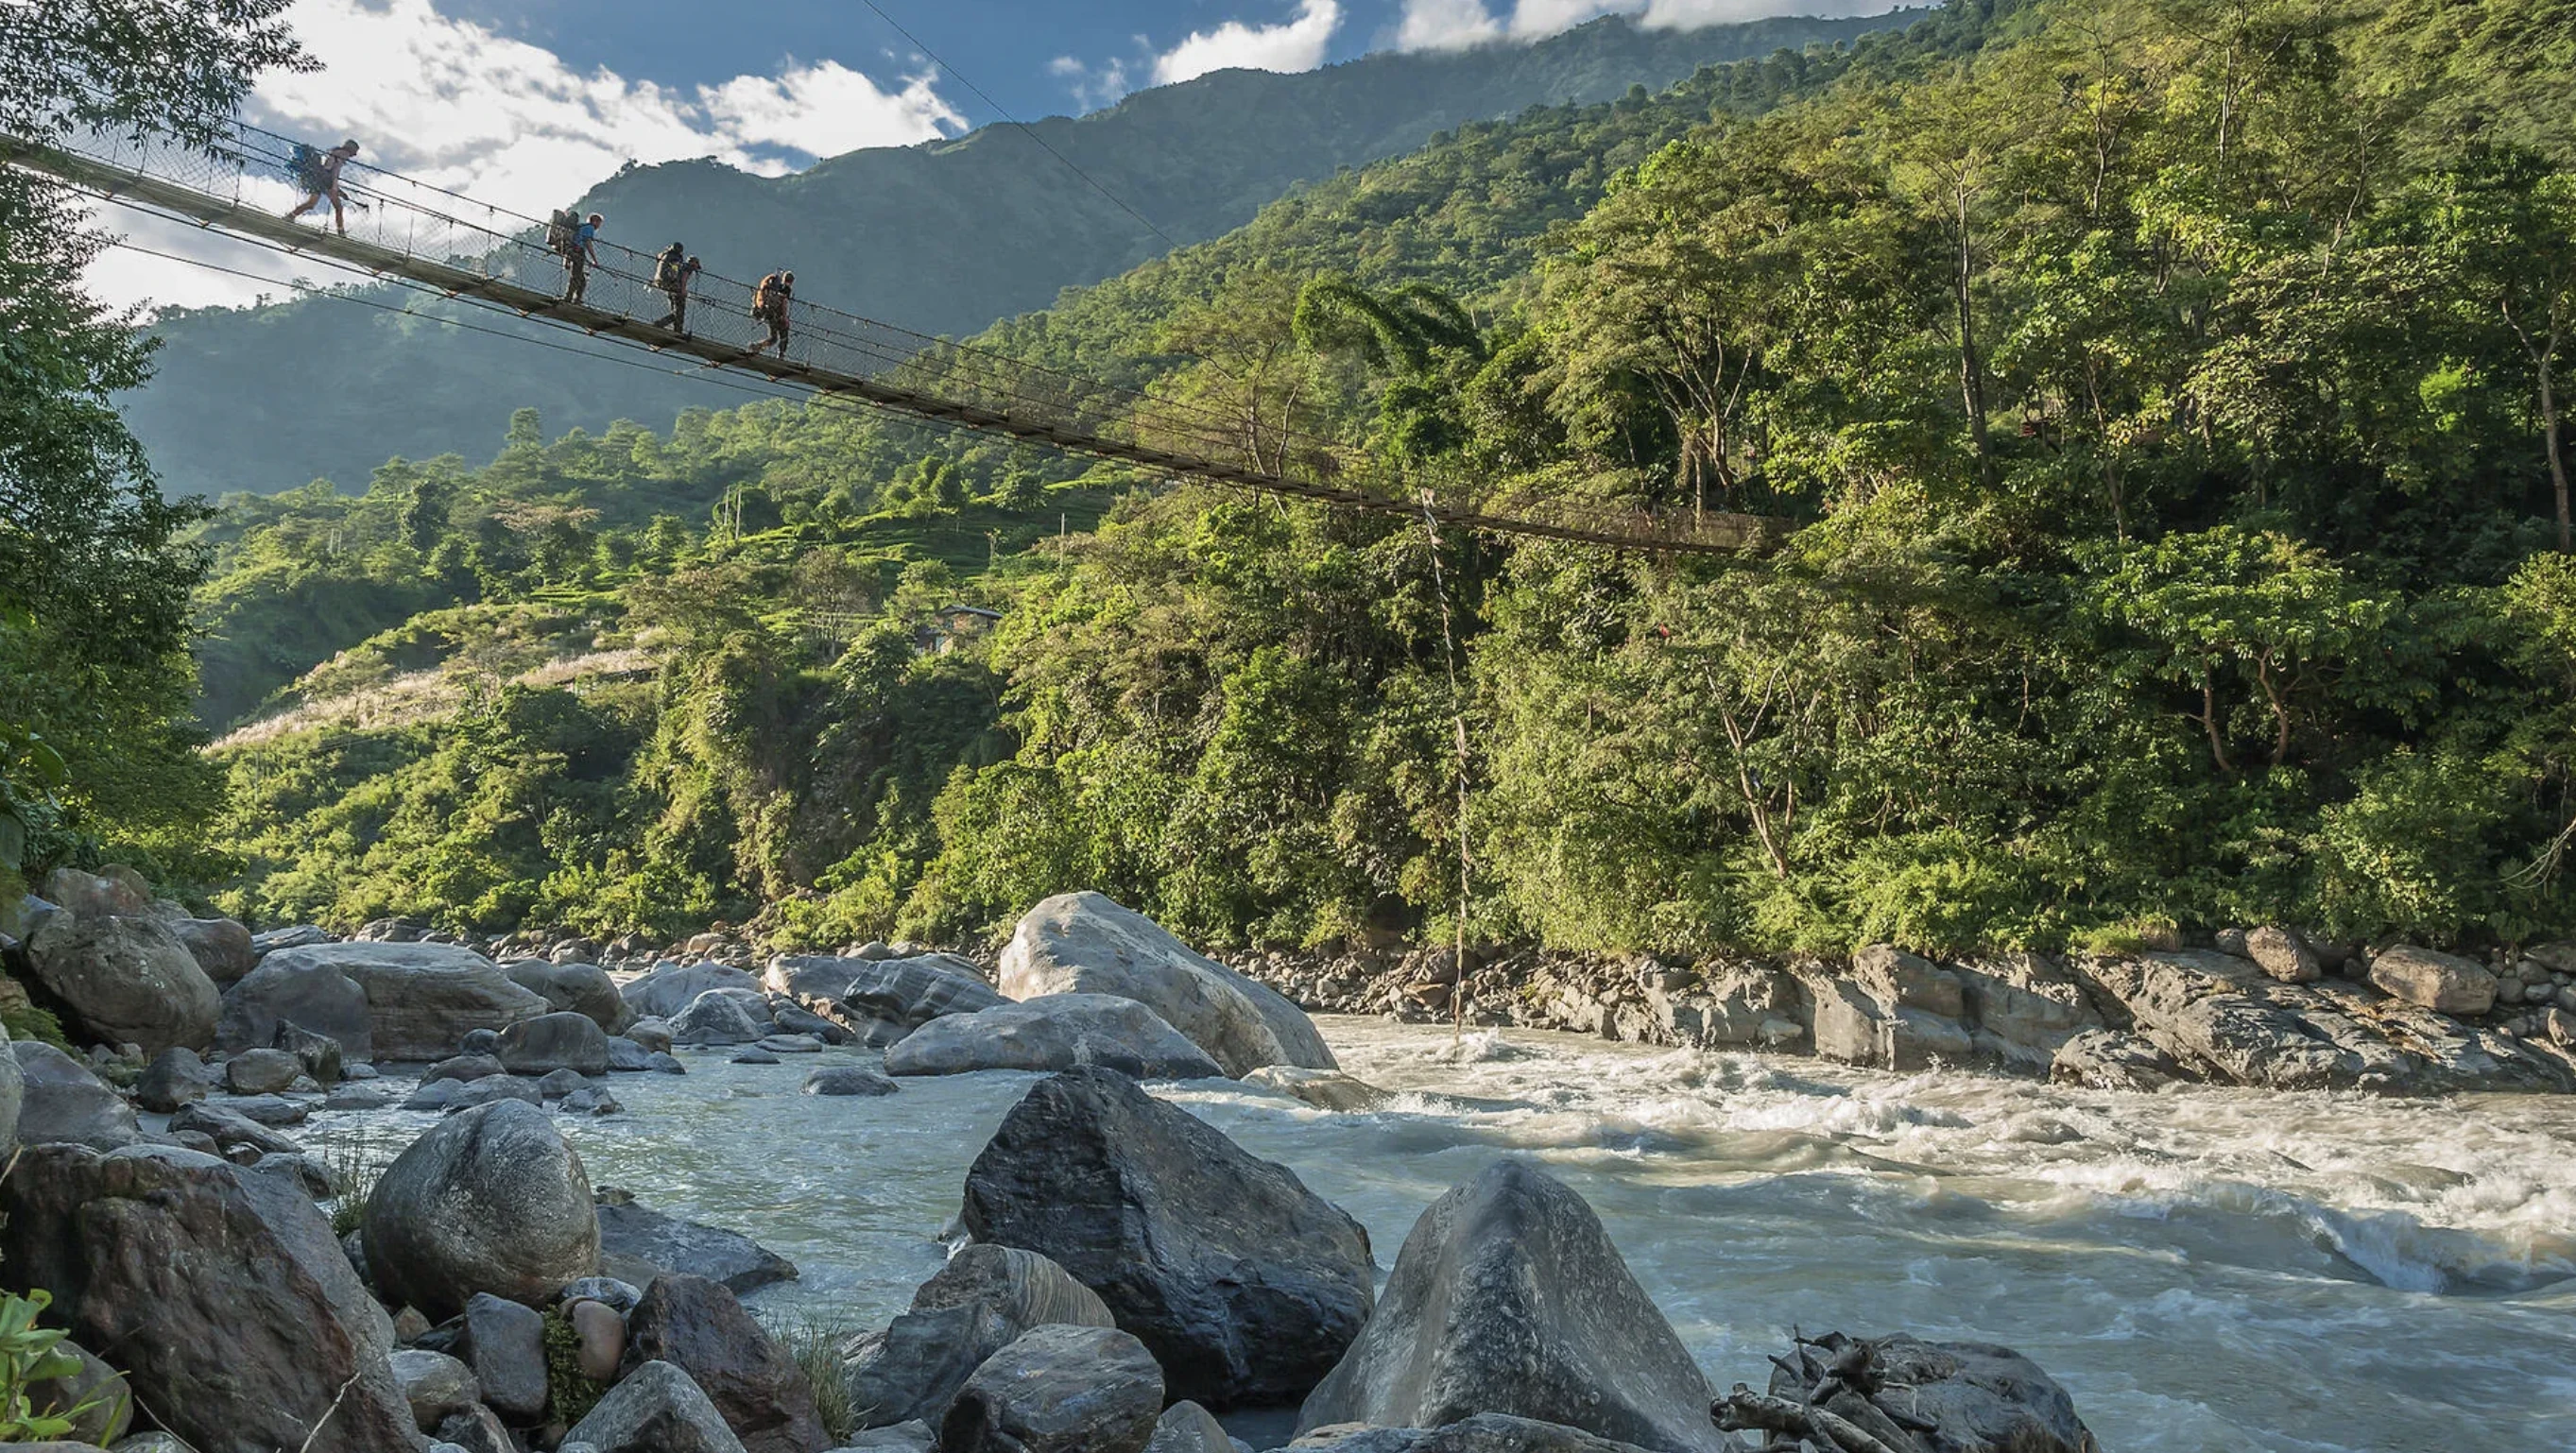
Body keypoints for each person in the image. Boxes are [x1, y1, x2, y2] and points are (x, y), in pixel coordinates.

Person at [283, 140, 361, 236]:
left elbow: (328, 168)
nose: (351, 156)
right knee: (338, 207)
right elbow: (334, 173)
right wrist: (334, 188)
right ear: (351, 149)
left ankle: (290, 216)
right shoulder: (343, 154)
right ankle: (341, 232)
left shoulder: (334, 152)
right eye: (354, 152)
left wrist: (339, 191)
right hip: (326, 181)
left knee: (311, 204)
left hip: (318, 179)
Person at [651, 244, 701, 332]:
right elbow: (684, 278)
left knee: (676, 311)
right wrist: (683, 290)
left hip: (664, 283)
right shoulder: (688, 267)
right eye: (697, 265)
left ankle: (662, 324)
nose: (696, 268)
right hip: (674, 286)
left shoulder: (667, 256)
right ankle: (676, 330)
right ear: (694, 262)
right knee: (679, 312)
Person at [748, 269, 795, 357]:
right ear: (791, 282)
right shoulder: (786, 289)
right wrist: (785, 317)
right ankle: (781, 354)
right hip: (777, 315)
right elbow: (784, 303)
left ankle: (758, 346)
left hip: (768, 312)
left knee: (773, 338)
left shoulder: (773, 287)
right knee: (783, 335)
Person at [562, 212, 604, 302]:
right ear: (595, 222)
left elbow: (571, 242)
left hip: (573, 251)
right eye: (599, 223)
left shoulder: (581, 227)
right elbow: (588, 244)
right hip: (578, 252)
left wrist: (567, 261)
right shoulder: (590, 228)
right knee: (576, 277)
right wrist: (595, 260)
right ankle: (568, 298)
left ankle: (577, 299)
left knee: (581, 279)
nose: (599, 226)